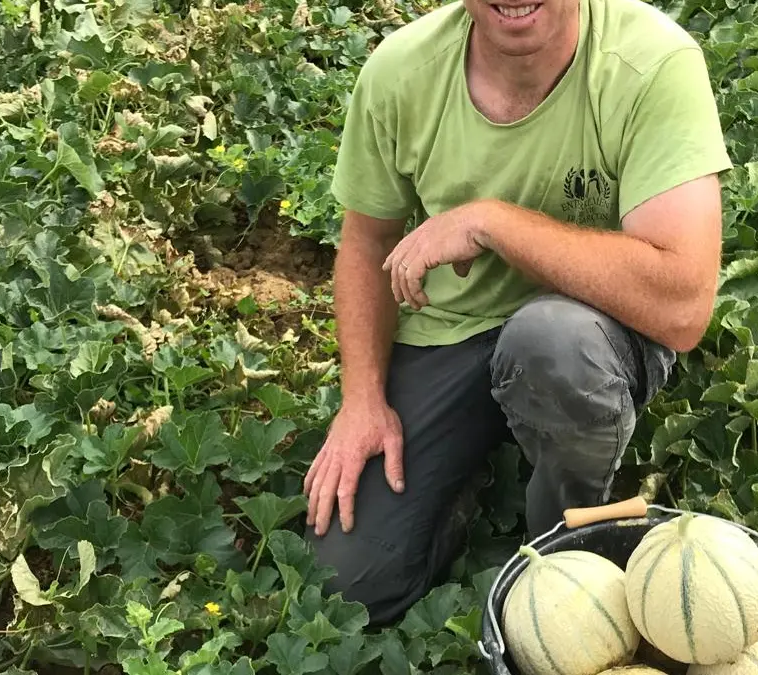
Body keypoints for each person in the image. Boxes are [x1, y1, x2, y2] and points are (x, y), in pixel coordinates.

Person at [301, 0, 732, 626]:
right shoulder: (402, 71)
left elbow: (683, 303)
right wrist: (362, 399)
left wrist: (492, 222)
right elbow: (366, 243)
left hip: (587, 332)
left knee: (551, 344)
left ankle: (570, 540)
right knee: (349, 586)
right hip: (449, 333)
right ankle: (462, 487)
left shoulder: (651, 63)